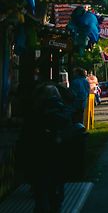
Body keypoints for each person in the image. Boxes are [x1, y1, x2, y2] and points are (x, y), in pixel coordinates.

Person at [18, 84, 78, 212]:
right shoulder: (64, 112)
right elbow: (71, 136)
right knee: (56, 190)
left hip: (39, 157)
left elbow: (25, 139)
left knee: (41, 190)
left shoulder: (35, 113)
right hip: (59, 157)